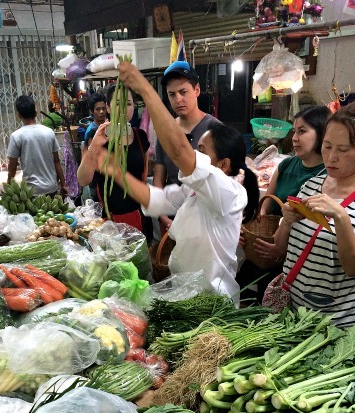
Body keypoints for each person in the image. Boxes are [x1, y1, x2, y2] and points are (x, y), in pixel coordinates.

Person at [97, 61, 259, 300]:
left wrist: (144, 88)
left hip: (210, 299)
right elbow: (157, 199)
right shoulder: (195, 191)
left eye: (201, 150)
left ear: (223, 165)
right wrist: (117, 173)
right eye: (172, 94)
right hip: (185, 291)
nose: (195, 154)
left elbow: (180, 152)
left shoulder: (228, 191)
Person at [273, 101, 355, 327]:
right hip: (295, 316)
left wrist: (341, 217)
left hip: (341, 324)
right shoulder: (311, 185)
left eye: (343, 150)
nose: (331, 157)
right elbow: (280, 249)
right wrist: (286, 223)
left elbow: (354, 267)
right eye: (327, 146)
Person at [237, 105, 330, 301]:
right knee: (243, 282)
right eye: (294, 131)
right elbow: (265, 206)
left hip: (297, 253)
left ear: (322, 133)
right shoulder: (286, 165)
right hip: (268, 242)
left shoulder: (327, 176)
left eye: (302, 131)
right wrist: (251, 228)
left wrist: (280, 246)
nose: (295, 138)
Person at [153, 60, 220, 233]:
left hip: (206, 217)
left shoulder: (216, 129)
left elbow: (228, 179)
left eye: (183, 92)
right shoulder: (165, 131)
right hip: (172, 216)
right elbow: (159, 178)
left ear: (196, 90)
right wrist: (163, 215)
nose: (178, 99)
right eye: (172, 94)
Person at [77, 84, 150, 235]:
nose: (123, 108)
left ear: (134, 107)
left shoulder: (141, 137)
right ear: (108, 108)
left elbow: (143, 176)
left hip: (139, 218)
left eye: (128, 103)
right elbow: (83, 180)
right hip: (110, 224)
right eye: (117, 103)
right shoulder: (97, 137)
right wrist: (94, 147)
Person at [7, 95, 67, 197]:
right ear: (35, 113)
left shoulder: (16, 136)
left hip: (31, 192)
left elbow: (12, 167)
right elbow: (57, 161)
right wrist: (63, 184)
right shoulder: (49, 132)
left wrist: (8, 187)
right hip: (51, 188)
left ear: (18, 115)